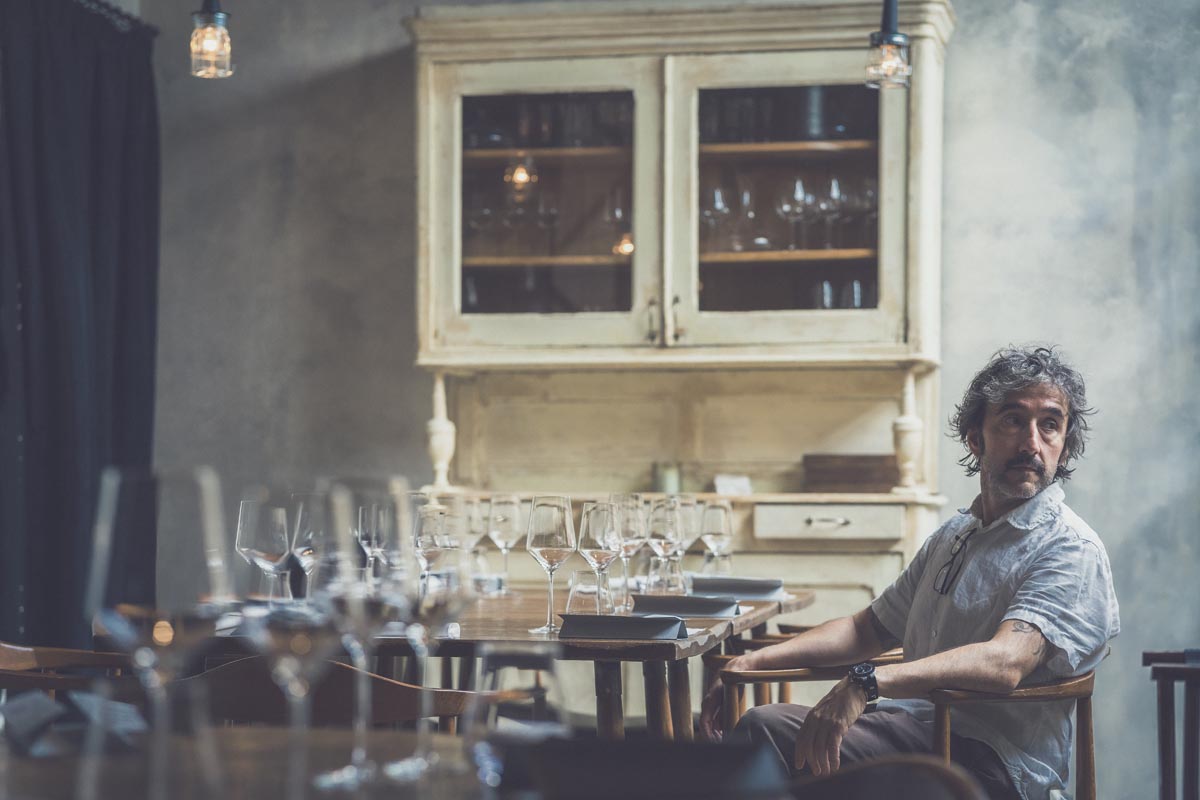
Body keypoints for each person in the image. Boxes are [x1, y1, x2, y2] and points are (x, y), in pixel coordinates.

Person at [699, 346, 1120, 800]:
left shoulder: (1069, 547)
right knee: (764, 725)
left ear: (1064, 443)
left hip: (995, 765)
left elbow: (1006, 661)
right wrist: (751, 660)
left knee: (771, 741)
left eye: (1050, 425)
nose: (1032, 443)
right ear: (975, 437)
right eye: (1013, 420)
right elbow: (867, 628)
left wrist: (866, 682)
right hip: (917, 729)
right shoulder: (956, 534)